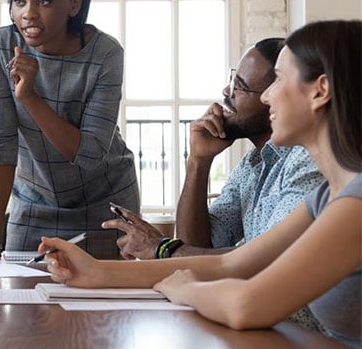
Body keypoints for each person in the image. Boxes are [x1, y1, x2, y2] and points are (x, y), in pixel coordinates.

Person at [40, 20, 362, 349]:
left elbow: (246, 304)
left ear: (320, 91)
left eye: (278, 79)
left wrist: (184, 288)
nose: (267, 95)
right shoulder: (329, 195)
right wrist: (95, 271)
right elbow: (230, 263)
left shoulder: (356, 202)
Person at [0, 0, 140, 261]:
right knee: (20, 303)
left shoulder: (105, 54)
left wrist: (30, 97)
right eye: (19, 1)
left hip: (106, 203)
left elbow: (88, 155)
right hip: (33, 203)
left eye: (44, 1)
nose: (28, 13)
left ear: (74, 3)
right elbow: (1, 141)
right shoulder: (0, 47)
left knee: (100, 310)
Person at [103, 38, 323, 260]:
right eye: (232, 79)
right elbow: (197, 248)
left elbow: (269, 260)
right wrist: (198, 161)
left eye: (240, 86)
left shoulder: (308, 161)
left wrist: (162, 248)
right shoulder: (252, 164)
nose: (227, 91)